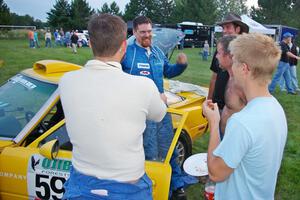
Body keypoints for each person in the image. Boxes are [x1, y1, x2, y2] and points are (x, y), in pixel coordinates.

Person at [60, 14, 166, 200]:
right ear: (124, 46)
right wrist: (162, 98)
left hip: (80, 184)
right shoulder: (144, 86)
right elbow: (159, 114)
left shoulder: (66, 81)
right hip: (128, 186)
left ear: (90, 44)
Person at [203, 33, 287, 199]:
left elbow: (215, 173)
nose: (231, 67)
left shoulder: (242, 122)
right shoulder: (276, 108)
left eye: (234, 61)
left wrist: (214, 122)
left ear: (244, 69)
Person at [122, 16, 196, 199]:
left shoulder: (156, 52)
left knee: (169, 149)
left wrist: (181, 65)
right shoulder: (127, 53)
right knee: (150, 152)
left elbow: (168, 72)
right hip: (141, 115)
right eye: (143, 32)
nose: (147, 35)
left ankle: (177, 186)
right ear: (135, 33)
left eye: (149, 31)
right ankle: (153, 189)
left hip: (162, 112)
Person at [207, 13, 249, 110]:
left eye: (228, 27)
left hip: (235, 107)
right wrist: (209, 99)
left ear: (238, 29)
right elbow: (214, 76)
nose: (224, 31)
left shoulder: (246, 52)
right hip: (217, 104)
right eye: (223, 28)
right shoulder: (220, 49)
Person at [214, 35, 246, 139]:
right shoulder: (230, 77)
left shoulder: (241, 83)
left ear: (230, 55)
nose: (216, 56)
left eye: (219, 53)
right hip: (225, 136)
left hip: (235, 139)